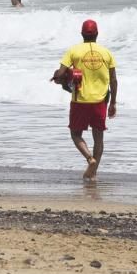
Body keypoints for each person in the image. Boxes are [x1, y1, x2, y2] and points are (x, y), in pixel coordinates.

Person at [51, 19, 117, 180]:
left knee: (75, 134)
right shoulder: (106, 52)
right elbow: (113, 80)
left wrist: (57, 78)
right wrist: (113, 102)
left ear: (82, 34)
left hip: (80, 101)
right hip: (100, 101)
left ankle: (89, 159)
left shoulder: (73, 51)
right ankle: (93, 173)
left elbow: (60, 74)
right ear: (97, 34)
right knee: (98, 137)